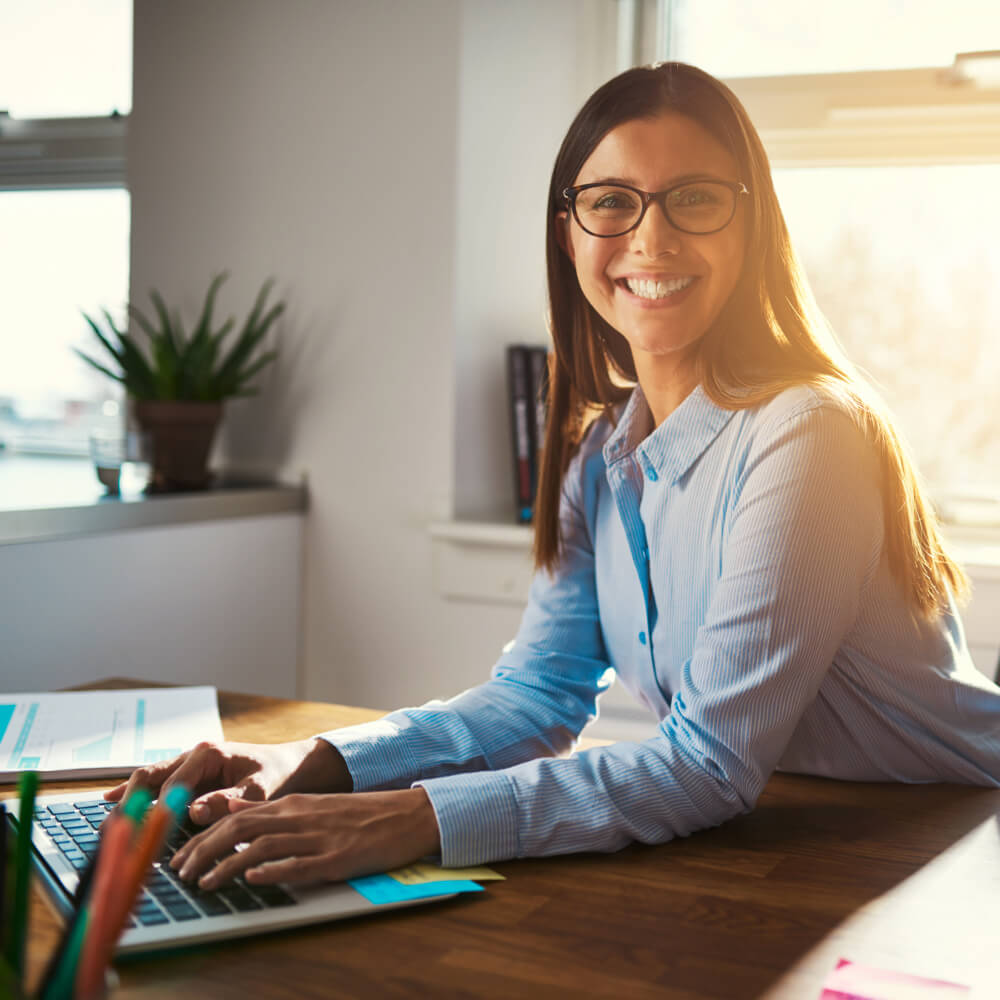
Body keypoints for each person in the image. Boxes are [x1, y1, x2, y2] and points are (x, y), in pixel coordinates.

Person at [109, 62, 1000, 891]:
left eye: (694, 198)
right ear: (569, 233)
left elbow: (708, 765)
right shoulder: (600, 458)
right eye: (612, 201)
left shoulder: (809, 433)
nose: (652, 238)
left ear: (752, 223)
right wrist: (309, 765)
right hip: (816, 845)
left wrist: (409, 819)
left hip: (958, 846)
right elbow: (536, 697)